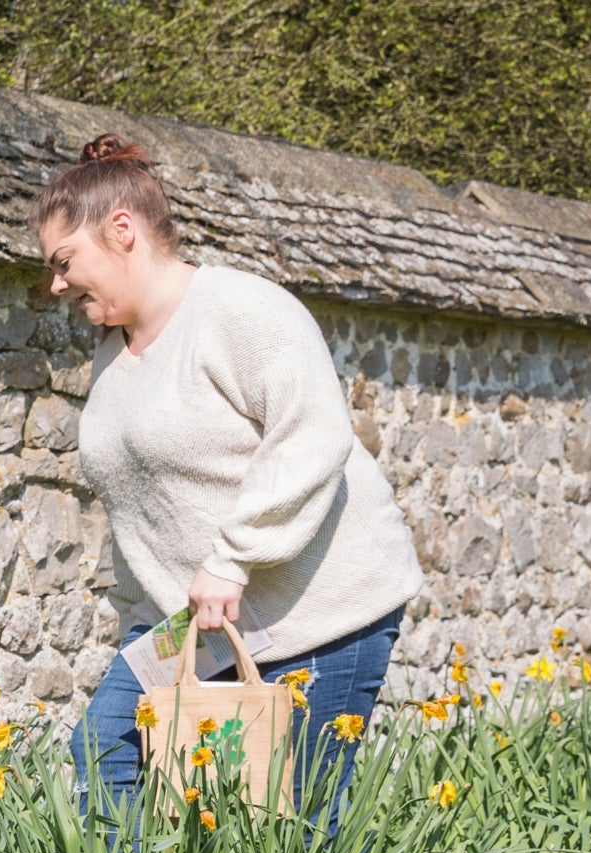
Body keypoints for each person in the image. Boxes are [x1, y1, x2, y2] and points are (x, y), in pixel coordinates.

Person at [40, 133, 425, 814]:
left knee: (293, 826)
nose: (56, 284)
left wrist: (234, 557)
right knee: (105, 751)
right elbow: (141, 508)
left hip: (319, 612)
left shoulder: (242, 311)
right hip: (195, 626)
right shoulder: (113, 356)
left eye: (65, 261)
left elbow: (312, 434)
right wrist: (140, 619)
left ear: (122, 230)